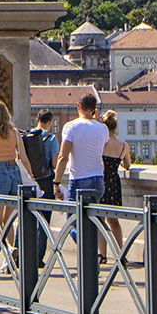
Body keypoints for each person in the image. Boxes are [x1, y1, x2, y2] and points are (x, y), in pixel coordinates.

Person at [0, 100, 35, 271]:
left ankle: (8, 249)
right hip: (15, 172)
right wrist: (31, 177)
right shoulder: (15, 133)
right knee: (8, 219)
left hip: (0, 173)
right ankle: (9, 257)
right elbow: (24, 158)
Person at [55, 93, 109, 265]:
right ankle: (91, 262)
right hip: (98, 180)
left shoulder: (71, 127)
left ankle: (90, 255)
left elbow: (63, 156)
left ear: (78, 106)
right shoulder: (103, 129)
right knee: (92, 221)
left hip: (79, 180)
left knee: (73, 224)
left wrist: (56, 182)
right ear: (94, 109)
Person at [22, 111, 61, 268]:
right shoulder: (52, 138)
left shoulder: (26, 136)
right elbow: (54, 163)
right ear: (50, 122)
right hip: (45, 182)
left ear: (37, 120)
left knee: (25, 217)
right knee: (44, 220)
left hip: (29, 182)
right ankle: (38, 257)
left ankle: (19, 254)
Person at [100, 110, 133, 266]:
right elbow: (127, 165)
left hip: (101, 180)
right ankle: (120, 253)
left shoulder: (101, 143)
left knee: (100, 219)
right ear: (116, 127)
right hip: (114, 181)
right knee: (114, 220)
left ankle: (102, 255)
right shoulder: (123, 145)